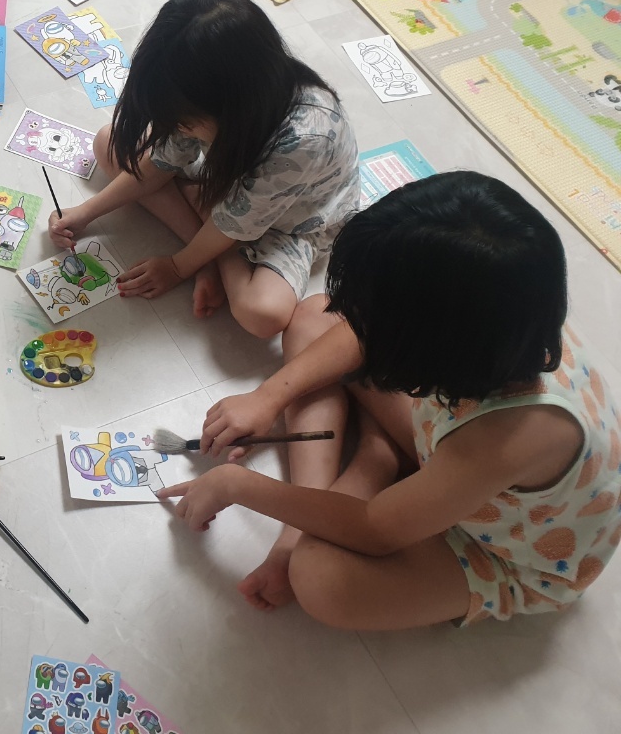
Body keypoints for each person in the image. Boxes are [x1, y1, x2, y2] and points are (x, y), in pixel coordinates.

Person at [161, 172, 621, 629]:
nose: (357, 321)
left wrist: (238, 486)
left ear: (428, 344)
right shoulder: (501, 314)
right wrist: (268, 398)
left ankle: (374, 464)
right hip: (449, 444)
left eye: (374, 320)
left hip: (497, 544)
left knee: (321, 578)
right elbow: (358, 330)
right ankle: (377, 457)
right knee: (317, 317)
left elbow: (374, 530)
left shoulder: (502, 439)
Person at [48, 0, 359, 339]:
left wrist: (178, 266)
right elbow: (160, 164)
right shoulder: (211, 93)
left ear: (234, 105)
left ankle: (212, 244)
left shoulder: (303, 140)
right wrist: (85, 213)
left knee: (262, 314)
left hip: (293, 220)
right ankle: (208, 236)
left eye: (187, 121)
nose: (180, 128)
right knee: (109, 142)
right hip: (230, 186)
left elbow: (235, 224)